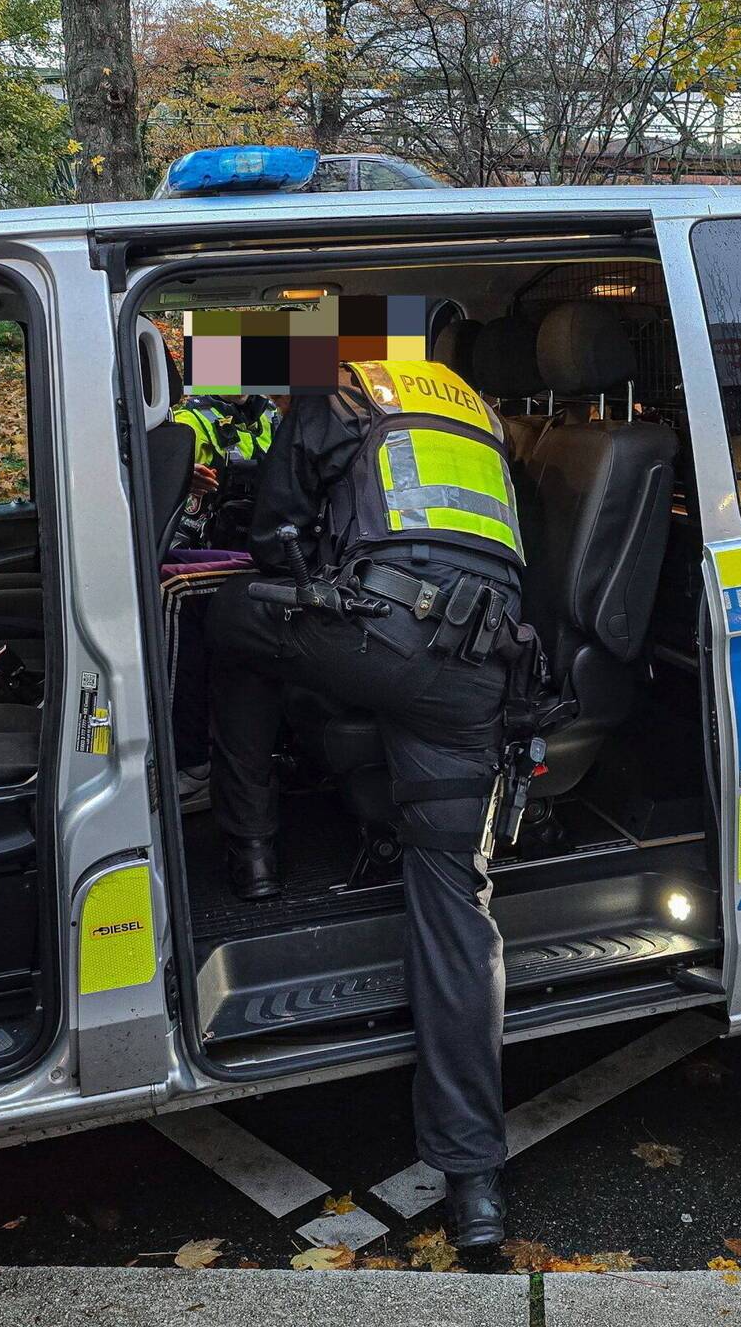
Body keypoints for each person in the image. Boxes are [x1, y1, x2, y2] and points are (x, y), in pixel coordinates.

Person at [206, 357, 532, 1248]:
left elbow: (275, 533)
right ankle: (475, 1190)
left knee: (232, 619)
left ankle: (252, 851)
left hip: (380, 633)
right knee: (457, 912)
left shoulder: (339, 377)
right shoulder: (472, 400)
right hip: (481, 669)